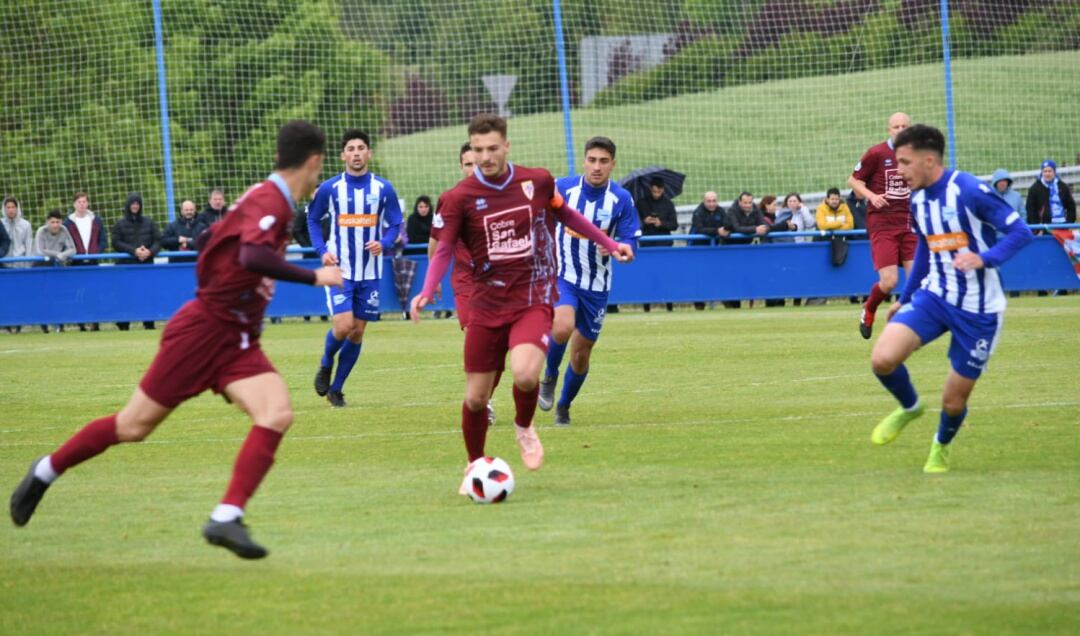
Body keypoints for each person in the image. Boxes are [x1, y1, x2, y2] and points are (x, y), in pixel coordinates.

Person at [9, 120, 343, 559]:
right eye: (320, 169)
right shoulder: (271, 201)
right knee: (133, 426)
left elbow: (210, 239)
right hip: (204, 331)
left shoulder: (260, 200)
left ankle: (225, 517)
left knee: (276, 412)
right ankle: (46, 469)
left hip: (236, 337)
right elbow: (251, 254)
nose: (317, 179)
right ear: (314, 161)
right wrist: (314, 275)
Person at [409, 114, 633, 494]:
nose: (485, 156)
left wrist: (610, 244)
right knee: (477, 397)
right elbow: (444, 247)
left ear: (506, 146)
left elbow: (567, 213)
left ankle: (524, 427)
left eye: (492, 148)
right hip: (485, 302)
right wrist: (428, 289)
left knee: (527, 374)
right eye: (478, 150)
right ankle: (474, 463)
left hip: (531, 295)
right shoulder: (457, 198)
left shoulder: (537, 181)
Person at [869, 123, 1032, 473]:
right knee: (882, 359)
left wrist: (984, 259)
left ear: (929, 160)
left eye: (904, 162)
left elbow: (1021, 232)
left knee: (953, 401)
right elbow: (927, 252)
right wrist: (905, 297)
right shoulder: (917, 199)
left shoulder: (970, 190)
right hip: (935, 296)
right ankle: (911, 407)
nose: (899, 171)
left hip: (979, 309)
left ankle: (940, 446)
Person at [537, 136, 640, 425]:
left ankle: (564, 406)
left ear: (612, 164)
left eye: (603, 161)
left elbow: (630, 241)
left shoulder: (621, 199)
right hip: (563, 275)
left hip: (597, 286)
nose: (597, 167)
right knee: (562, 325)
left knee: (581, 355)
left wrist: (622, 248)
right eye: (592, 160)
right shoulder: (563, 188)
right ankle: (549, 375)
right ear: (584, 160)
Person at [308, 129, 403, 408]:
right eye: (351, 148)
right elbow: (312, 220)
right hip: (340, 269)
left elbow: (396, 223)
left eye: (361, 147)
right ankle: (326, 363)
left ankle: (336, 390)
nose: (356, 153)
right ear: (343, 155)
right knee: (344, 324)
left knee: (358, 331)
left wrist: (384, 242)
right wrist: (323, 252)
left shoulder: (383, 189)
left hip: (370, 271)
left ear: (369, 153)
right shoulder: (330, 188)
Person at [849, 112, 915, 339]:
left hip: (908, 223)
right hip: (883, 224)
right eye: (896, 126)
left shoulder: (918, 154)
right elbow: (853, 180)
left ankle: (906, 327)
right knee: (889, 282)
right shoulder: (877, 153)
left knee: (917, 280)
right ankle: (870, 307)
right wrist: (871, 196)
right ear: (889, 130)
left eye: (905, 126)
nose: (900, 130)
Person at [111, 193, 161, 330]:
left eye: (137, 203)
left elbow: (158, 240)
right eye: (133, 203)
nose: (135, 206)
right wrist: (134, 251)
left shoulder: (149, 222)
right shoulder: (120, 223)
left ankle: (149, 323)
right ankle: (123, 324)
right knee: (125, 296)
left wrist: (149, 252)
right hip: (126, 267)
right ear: (128, 205)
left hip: (146, 266)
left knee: (148, 295)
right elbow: (115, 242)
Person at [1026, 159, 1076, 229]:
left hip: (1063, 225)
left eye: (1050, 171)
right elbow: (1030, 210)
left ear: (1054, 172)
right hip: (1044, 227)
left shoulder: (1063, 186)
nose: (1047, 174)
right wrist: (1036, 229)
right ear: (1042, 172)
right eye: (1045, 171)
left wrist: (1069, 223)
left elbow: (1071, 206)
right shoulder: (1034, 189)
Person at [2, 196, 34, 269]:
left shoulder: (26, 225)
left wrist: (28, 266)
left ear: (17, 208)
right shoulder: (1, 224)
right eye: (8, 207)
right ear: (4, 209)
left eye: (13, 207)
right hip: (3, 264)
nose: (11, 210)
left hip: (21, 263)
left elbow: (29, 245)